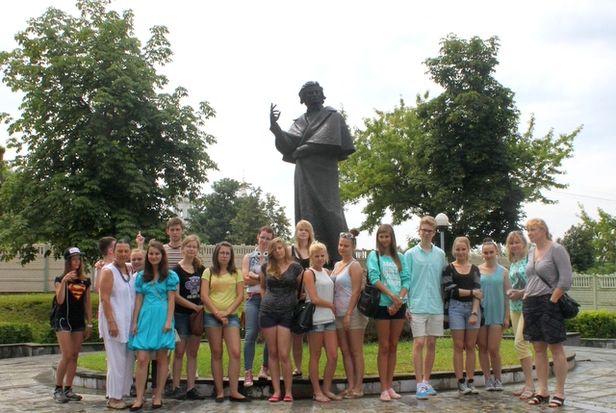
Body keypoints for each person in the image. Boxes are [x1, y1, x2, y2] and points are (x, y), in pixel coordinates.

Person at [269, 81, 355, 264]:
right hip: (304, 171)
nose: (314, 95)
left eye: (317, 92)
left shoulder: (332, 116)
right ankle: (308, 260)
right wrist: (276, 129)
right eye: (309, 93)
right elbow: (289, 144)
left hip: (324, 171)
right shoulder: (300, 122)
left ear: (322, 95)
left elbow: (331, 140)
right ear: (303, 99)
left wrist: (305, 149)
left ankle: (342, 259)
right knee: (306, 212)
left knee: (331, 211)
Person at [523, 218, 573, 408]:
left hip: (549, 301)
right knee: (538, 349)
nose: (530, 233)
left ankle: (559, 392)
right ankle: (542, 390)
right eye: (528, 230)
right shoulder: (530, 252)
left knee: (556, 347)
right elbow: (531, 279)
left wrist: (553, 300)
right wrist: (525, 294)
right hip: (531, 303)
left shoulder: (557, 249)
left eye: (533, 229)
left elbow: (566, 279)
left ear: (543, 230)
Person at [129, 240, 179, 411]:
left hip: (163, 318)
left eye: (157, 253)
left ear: (162, 256)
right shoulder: (142, 276)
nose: (154, 256)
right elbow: (138, 300)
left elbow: (172, 300)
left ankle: (158, 395)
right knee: (142, 359)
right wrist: (134, 322)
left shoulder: (170, 276)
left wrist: (168, 321)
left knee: (162, 358)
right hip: (145, 318)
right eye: (151, 253)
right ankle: (139, 397)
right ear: (147, 255)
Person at [404, 216, 448, 400]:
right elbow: (406, 279)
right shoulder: (410, 254)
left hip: (435, 305)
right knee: (419, 342)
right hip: (417, 304)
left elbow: (443, 279)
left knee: (431, 343)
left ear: (434, 233)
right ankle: (419, 383)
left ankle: (426, 381)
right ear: (419, 231)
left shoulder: (440, 254)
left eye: (430, 231)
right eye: (424, 230)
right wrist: (406, 303)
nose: (426, 233)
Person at [201, 241, 249, 402]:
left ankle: (234, 391)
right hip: (211, 316)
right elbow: (204, 296)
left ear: (231, 256)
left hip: (232, 318)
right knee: (216, 353)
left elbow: (241, 295)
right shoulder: (208, 272)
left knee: (235, 352)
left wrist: (227, 313)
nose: (224, 256)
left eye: (227, 253)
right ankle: (220, 391)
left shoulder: (236, 273)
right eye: (222, 253)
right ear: (216, 254)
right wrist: (217, 313)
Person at [366, 224, 410, 402]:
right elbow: (374, 278)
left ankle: (390, 386)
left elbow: (406, 279)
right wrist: (392, 296)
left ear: (392, 238)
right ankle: (383, 387)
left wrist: (399, 299)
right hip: (383, 305)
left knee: (393, 346)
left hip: (399, 305)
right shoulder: (374, 256)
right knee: (384, 346)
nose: (384, 240)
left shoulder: (400, 257)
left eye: (387, 236)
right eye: (381, 236)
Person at [259, 237, 304, 402]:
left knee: (284, 354)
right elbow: (263, 287)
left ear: (284, 248)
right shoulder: (266, 267)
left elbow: (303, 288)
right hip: (268, 312)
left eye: (280, 248)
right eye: (275, 249)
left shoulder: (295, 267)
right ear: (271, 251)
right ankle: (276, 391)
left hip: (287, 312)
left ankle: (288, 391)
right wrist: (265, 302)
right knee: (273, 353)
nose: (278, 251)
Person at [51, 247, 92, 403]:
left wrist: (89, 323)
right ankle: (57, 388)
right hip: (62, 319)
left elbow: (87, 302)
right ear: (68, 261)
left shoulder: (85, 280)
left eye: (78, 259)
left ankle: (69, 389)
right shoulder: (59, 279)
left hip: (78, 321)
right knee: (67, 355)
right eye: (74, 259)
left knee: (75, 355)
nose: (77, 262)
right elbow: (60, 300)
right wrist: (64, 282)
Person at [442, 236, 482, 395]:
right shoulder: (448, 268)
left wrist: (474, 312)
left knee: (471, 346)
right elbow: (450, 289)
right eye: (457, 249)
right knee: (458, 346)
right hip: (455, 308)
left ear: (468, 250)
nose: (460, 252)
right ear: (454, 250)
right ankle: (460, 382)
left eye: (463, 249)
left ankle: (471, 381)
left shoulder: (475, 269)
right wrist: (472, 292)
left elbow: (479, 293)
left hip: (473, 309)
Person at [98, 239, 135, 410]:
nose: (122, 254)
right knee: (116, 361)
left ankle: (122, 394)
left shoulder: (128, 269)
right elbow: (104, 298)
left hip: (127, 323)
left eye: (126, 251)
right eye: (119, 251)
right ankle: (113, 397)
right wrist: (111, 322)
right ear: (113, 252)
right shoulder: (108, 271)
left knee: (127, 360)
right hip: (114, 322)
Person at [169, 235, 206, 400]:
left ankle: (191, 387)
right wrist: (193, 307)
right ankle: (176, 386)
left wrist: (200, 307)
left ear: (197, 249)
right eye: (188, 246)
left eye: (194, 247)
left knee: (193, 352)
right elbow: (175, 296)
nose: (191, 249)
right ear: (183, 249)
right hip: (181, 314)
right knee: (179, 352)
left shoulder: (201, 269)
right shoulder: (175, 271)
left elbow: (205, 291)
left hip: (196, 317)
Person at [333, 230, 367, 399]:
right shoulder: (336, 265)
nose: (342, 248)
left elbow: (356, 292)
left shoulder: (355, 266)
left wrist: (348, 313)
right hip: (338, 313)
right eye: (340, 245)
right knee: (345, 351)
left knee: (356, 351)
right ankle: (351, 385)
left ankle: (359, 387)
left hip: (352, 313)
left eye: (346, 245)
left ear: (353, 247)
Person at [303, 242, 340, 402]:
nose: (319, 258)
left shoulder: (326, 272)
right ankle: (317, 391)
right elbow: (314, 298)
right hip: (316, 319)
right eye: (316, 256)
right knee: (315, 355)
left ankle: (326, 388)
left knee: (333, 355)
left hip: (329, 320)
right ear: (311, 257)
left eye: (322, 255)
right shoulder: (309, 273)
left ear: (326, 256)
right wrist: (331, 305)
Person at [241, 226, 273, 387]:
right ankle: (248, 371)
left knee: (268, 335)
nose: (265, 241)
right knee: (250, 334)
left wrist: (255, 276)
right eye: (263, 237)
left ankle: (265, 368)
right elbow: (245, 279)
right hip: (253, 299)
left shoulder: (273, 258)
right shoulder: (249, 257)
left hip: (268, 300)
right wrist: (262, 278)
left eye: (268, 238)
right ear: (257, 237)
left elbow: (273, 279)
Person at [477, 238, 511, 391]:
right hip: (482, 315)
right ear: (482, 253)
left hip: (497, 315)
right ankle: (487, 379)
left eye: (491, 252)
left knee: (493, 348)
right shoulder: (476, 271)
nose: (488, 255)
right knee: (482, 347)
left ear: (496, 252)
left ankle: (498, 379)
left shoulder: (504, 272)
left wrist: (507, 316)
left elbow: (507, 295)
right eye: (486, 252)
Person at [505, 230, 534, 400]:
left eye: (517, 242)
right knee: (521, 346)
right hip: (514, 306)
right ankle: (527, 383)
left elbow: (535, 284)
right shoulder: (513, 262)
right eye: (511, 243)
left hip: (528, 306)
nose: (514, 245)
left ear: (524, 243)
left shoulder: (531, 260)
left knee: (520, 343)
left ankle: (530, 385)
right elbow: (512, 284)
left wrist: (520, 293)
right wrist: (511, 292)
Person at [289, 219, 314, 377]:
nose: (303, 232)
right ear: (296, 232)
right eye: (300, 229)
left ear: (310, 232)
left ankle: (313, 366)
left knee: (313, 336)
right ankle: (297, 367)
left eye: (306, 229)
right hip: (295, 298)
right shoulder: (289, 251)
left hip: (313, 298)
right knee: (296, 336)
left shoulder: (315, 249)